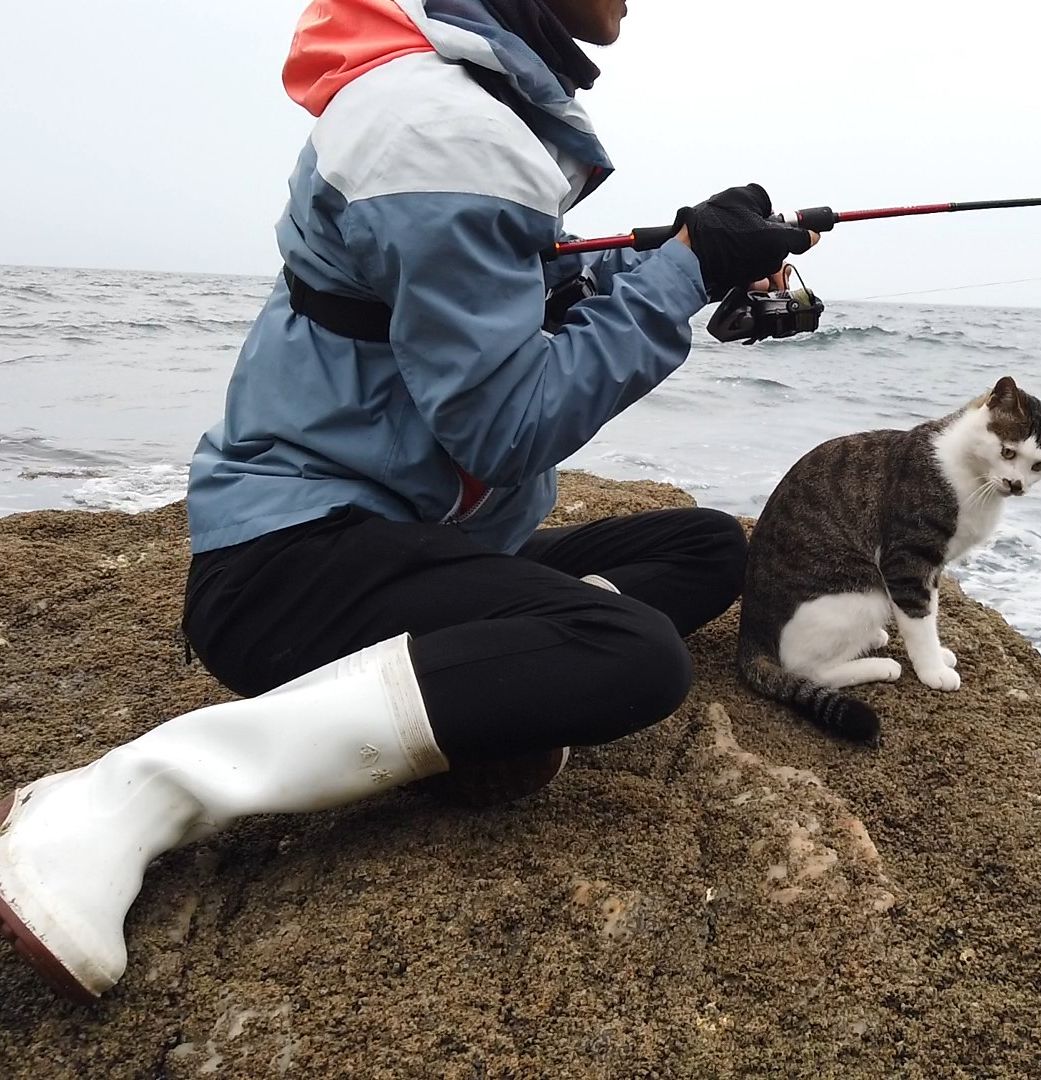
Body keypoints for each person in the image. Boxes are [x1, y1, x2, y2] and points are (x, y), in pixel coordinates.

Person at [0, 0, 818, 1003]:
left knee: (706, 548)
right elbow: (505, 425)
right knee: (636, 657)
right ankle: (133, 794)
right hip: (287, 569)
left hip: (400, 541)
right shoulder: (446, 131)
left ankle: (502, 667)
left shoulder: (459, 101)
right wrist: (683, 272)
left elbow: (490, 289)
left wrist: (683, 254)